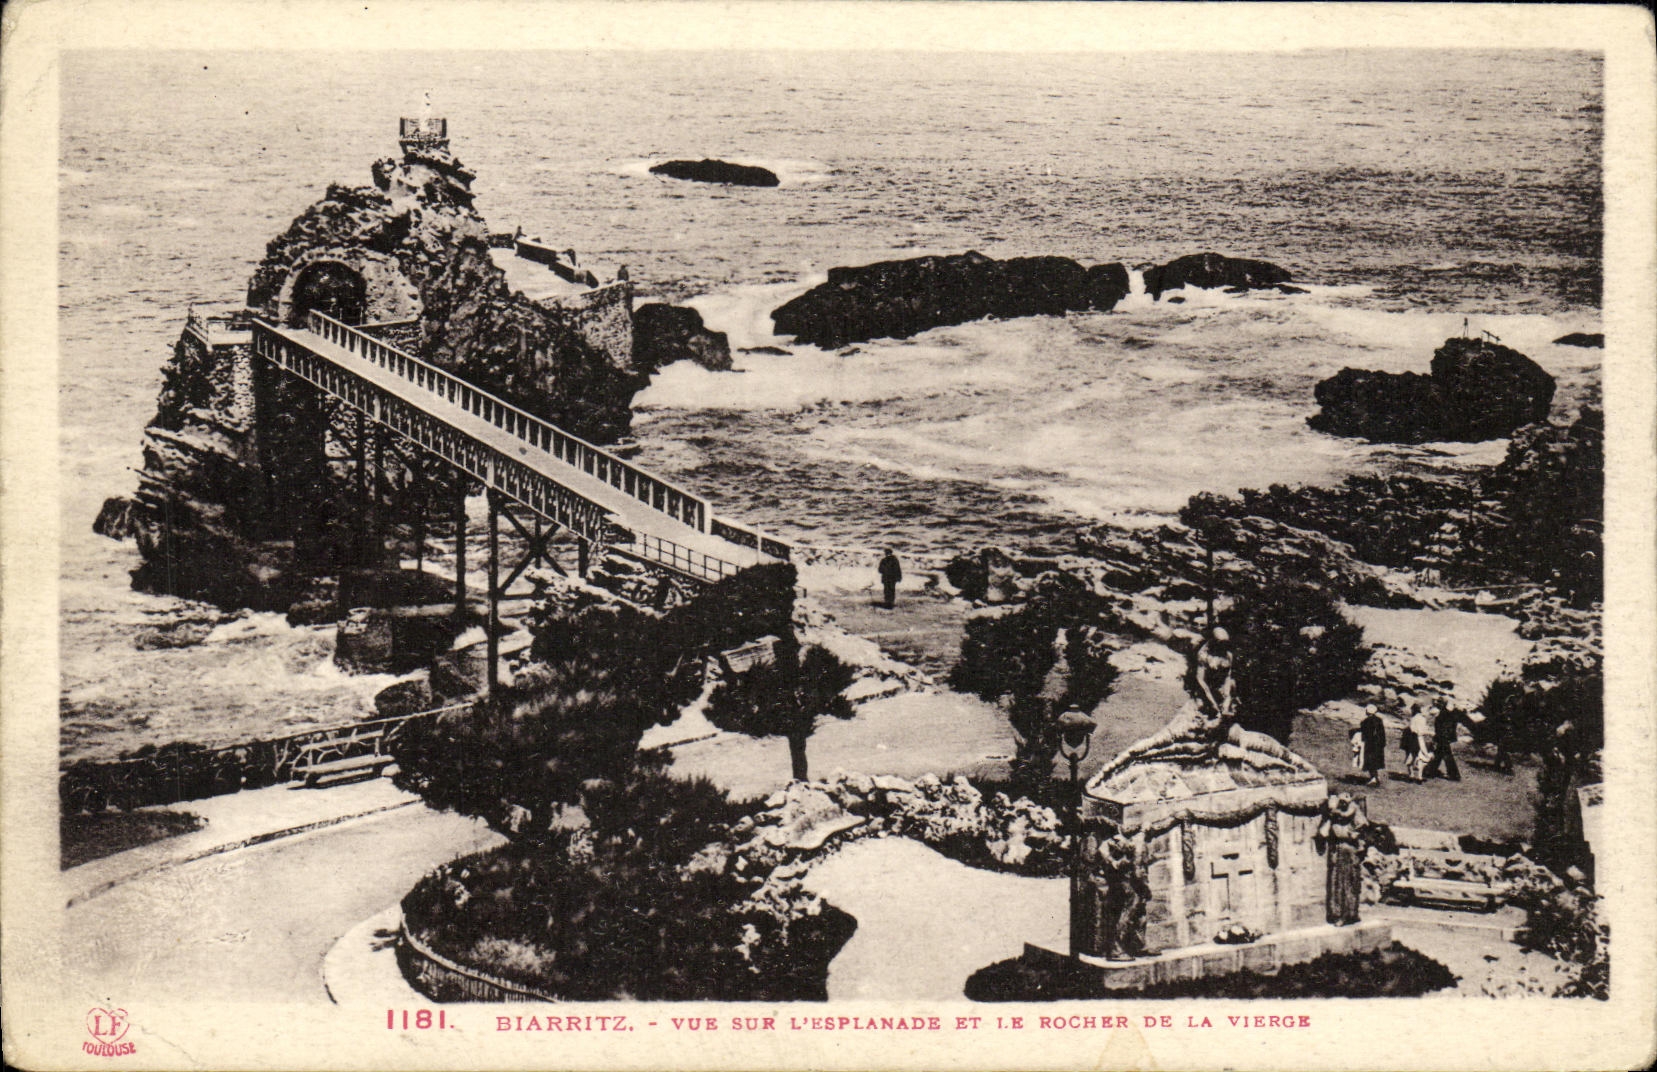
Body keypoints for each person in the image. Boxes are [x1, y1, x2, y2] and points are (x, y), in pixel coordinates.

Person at [1317, 792, 1368, 926]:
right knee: (1337, 883)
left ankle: (1350, 913)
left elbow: (1362, 825)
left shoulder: (1354, 811)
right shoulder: (1333, 813)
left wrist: (1354, 835)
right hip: (1338, 849)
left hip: (1350, 850)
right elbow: (1324, 829)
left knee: (1350, 882)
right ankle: (1338, 914)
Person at [1422, 703, 1465, 781]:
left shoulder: (1444, 716)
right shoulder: (1447, 715)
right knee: (1439, 754)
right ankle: (1431, 771)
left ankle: (1454, 776)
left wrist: (1438, 738)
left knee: (1446, 756)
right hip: (1444, 738)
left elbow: (1444, 729)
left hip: (1443, 738)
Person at [1359, 704, 1386, 786]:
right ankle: (1375, 777)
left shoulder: (1365, 721)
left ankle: (1373, 778)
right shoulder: (1379, 720)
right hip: (1379, 744)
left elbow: (1364, 734)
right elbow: (1382, 733)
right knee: (1376, 761)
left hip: (1370, 744)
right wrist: (1383, 743)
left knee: (1370, 761)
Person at [1401, 703, 1426, 782]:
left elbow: (1412, 729)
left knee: (1410, 756)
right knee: (1420, 757)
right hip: (1421, 738)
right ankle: (1420, 776)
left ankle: (1411, 775)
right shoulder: (1423, 718)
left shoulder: (1413, 718)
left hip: (1413, 738)